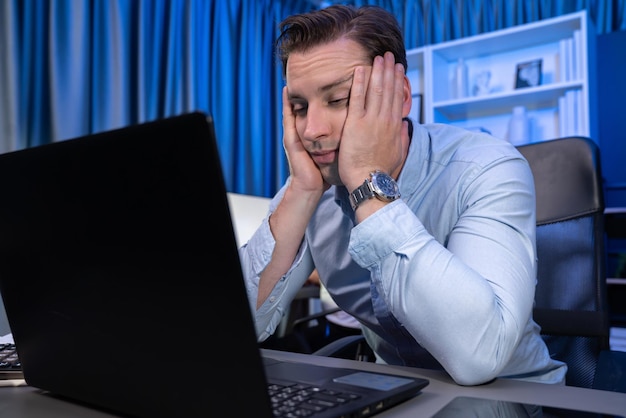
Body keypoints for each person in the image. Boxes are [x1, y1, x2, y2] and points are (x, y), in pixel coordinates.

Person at [240, 4, 567, 386]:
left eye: (339, 100)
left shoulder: (485, 167)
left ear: (401, 97)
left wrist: (367, 181)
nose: (312, 129)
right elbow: (234, 327)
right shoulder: (312, 184)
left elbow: (481, 358)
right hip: (395, 395)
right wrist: (300, 191)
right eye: (298, 107)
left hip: (518, 399)